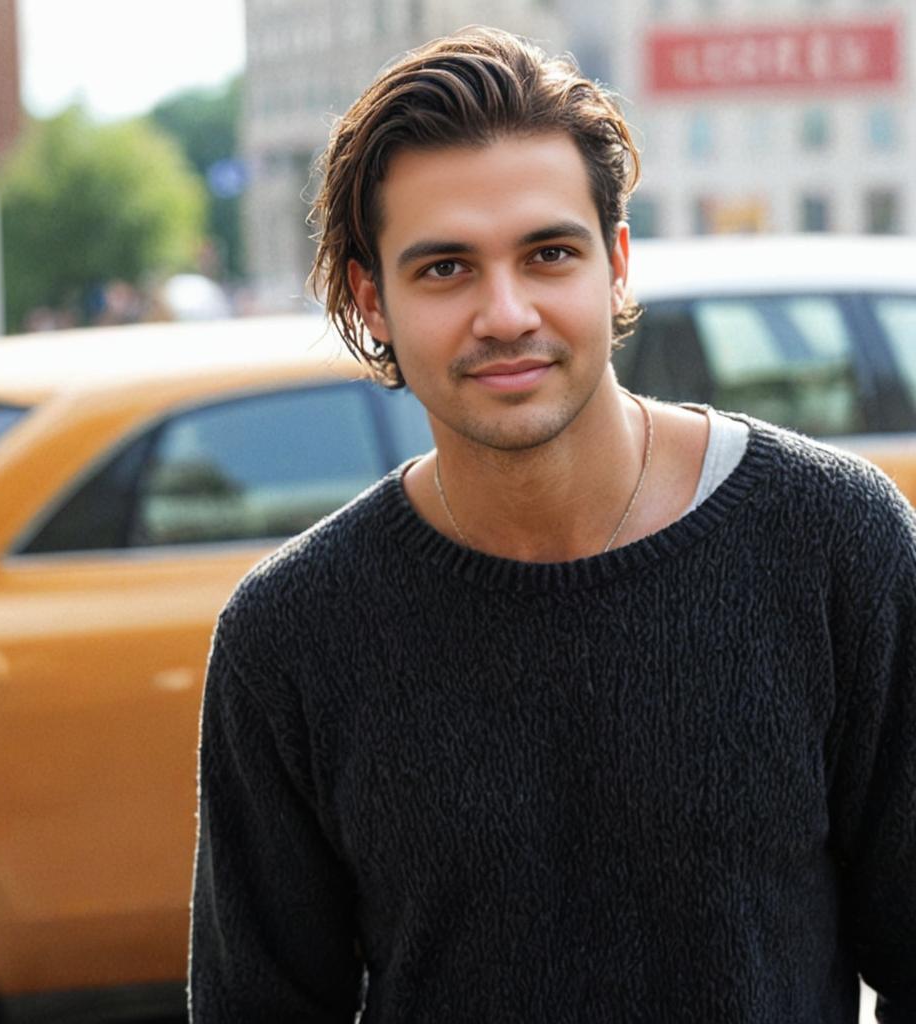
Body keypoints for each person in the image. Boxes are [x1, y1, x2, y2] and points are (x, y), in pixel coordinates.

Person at [189, 26, 916, 1023]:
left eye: (548, 253)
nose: (505, 311)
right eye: (445, 268)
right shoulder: (291, 635)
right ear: (372, 299)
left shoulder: (834, 542)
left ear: (615, 264)